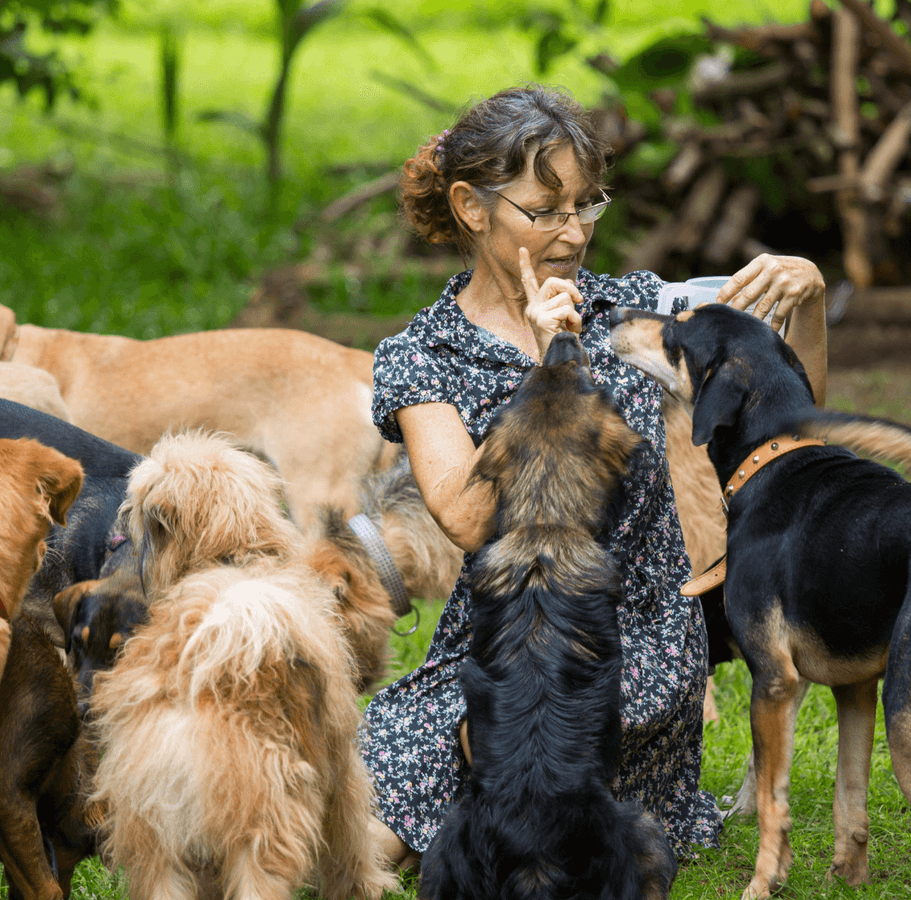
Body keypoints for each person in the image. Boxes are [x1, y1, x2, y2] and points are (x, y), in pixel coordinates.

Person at [361, 83, 828, 869]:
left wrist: (806, 300)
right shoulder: (422, 356)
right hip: (493, 646)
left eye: (586, 204)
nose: (573, 233)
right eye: (544, 211)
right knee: (348, 842)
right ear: (473, 208)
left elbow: (793, 423)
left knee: (476, 813)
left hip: (622, 648)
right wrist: (552, 365)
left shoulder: (634, 312)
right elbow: (471, 523)